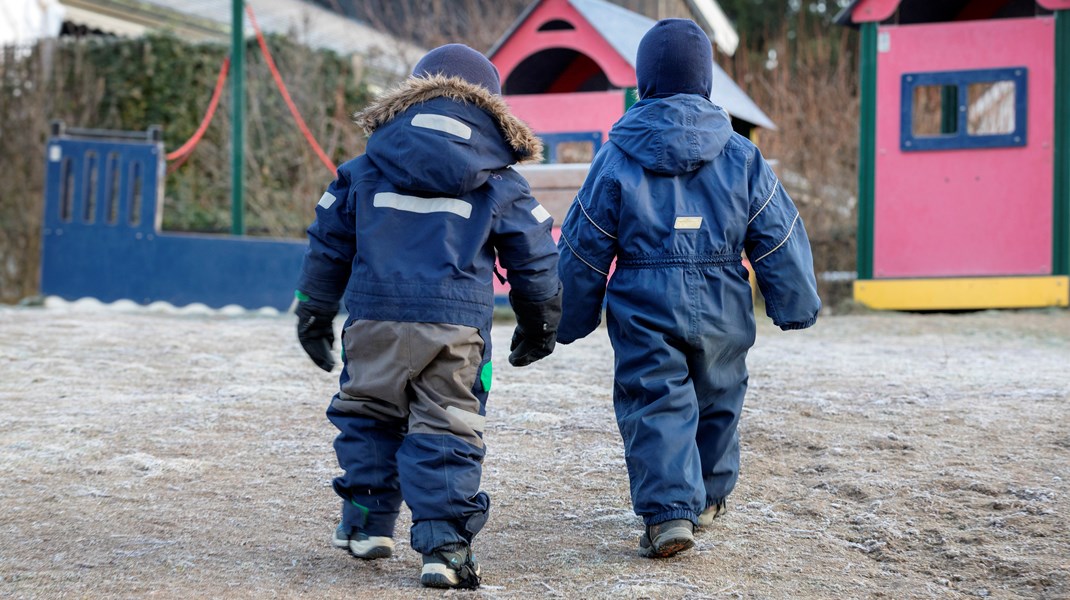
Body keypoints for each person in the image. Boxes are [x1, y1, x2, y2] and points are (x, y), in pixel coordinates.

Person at [293, 43, 562, 589]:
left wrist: (315, 312)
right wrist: (539, 323)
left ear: (410, 97)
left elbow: (328, 243)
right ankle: (444, 548)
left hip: (374, 320)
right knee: (447, 425)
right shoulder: (499, 178)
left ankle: (367, 524)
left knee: (369, 413)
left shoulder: (364, 168)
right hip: (455, 327)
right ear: (490, 108)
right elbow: (535, 254)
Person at [555, 19, 821, 559]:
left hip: (644, 297)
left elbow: (585, 242)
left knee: (655, 399)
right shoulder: (741, 156)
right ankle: (710, 496)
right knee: (720, 392)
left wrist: (567, 314)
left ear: (643, 81)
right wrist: (794, 301)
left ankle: (669, 512)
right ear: (705, 83)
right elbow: (777, 231)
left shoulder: (618, 155)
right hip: (723, 293)